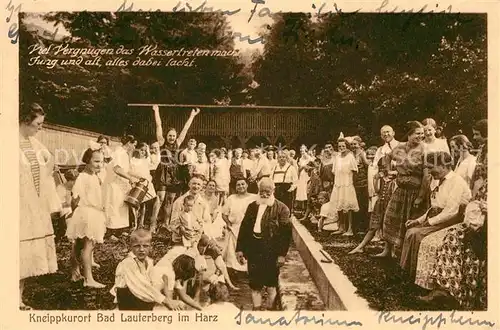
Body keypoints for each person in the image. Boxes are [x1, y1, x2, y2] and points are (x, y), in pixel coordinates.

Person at [400, 151, 471, 280]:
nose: (429, 171)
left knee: (417, 234)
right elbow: (434, 207)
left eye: (431, 167)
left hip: (452, 221)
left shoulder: (456, 182)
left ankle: (419, 277)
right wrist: (418, 220)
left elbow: (451, 211)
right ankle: (407, 272)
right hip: (438, 218)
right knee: (411, 231)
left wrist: (429, 222)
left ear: (443, 166)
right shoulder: (436, 180)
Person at [19, 103, 60, 310]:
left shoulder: (34, 143)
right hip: (15, 204)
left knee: (25, 253)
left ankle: (18, 298)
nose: (40, 128)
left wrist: (44, 178)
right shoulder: (9, 141)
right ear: (25, 121)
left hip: (32, 203)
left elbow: (50, 159)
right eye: (38, 124)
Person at [170, 175, 238, 289]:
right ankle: (190, 287)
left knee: (216, 252)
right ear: (189, 184)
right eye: (194, 183)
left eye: (199, 184)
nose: (196, 186)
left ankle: (225, 282)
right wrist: (183, 231)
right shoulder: (180, 201)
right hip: (182, 238)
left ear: (202, 187)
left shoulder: (203, 203)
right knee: (193, 261)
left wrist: (211, 239)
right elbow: (173, 223)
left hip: (200, 237)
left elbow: (207, 223)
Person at [236, 178, 292, 311]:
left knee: (271, 284)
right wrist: (240, 250)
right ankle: (256, 310)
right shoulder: (252, 206)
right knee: (255, 284)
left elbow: (286, 235)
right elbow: (244, 228)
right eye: (262, 191)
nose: (264, 194)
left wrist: (282, 255)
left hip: (271, 252)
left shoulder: (282, 208)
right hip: (254, 249)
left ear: (273, 190)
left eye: (268, 191)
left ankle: (269, 311)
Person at [376, 121, 429, 258]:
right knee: (390, 217)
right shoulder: (400, 147)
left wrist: (420, 197)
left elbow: (426, 177)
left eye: (422, 133)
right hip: (400, 190)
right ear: (409, 135)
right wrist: (388, 171)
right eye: (418, 133)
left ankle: (403, 254)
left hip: (415, 192)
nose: (421, 136)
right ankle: (387, 250)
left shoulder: (425, 149)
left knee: (409, 220)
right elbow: (386, 158)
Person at [151, 104, 200, 229]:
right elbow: (158, 126)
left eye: (173, 135)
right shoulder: (161, 142)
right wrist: (156, 111)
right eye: (170, 135)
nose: (172, 137)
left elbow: (185, 129)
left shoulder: (178, 142)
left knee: (169, 200)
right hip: (162, 172)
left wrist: (192, 116)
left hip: (175, 173)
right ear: (166, 136)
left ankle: (166, 223)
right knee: (160, 198)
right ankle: (153, 224)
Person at [66, 148, 107, 288]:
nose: (99, 164)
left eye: (101, 161)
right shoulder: (83, 177)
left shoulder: (94, 176)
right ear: (87, 160)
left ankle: (75, 273)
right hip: (87, 213)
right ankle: (88, 279)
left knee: (80, 245)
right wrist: (75, 215)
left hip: (91, 212)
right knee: (87, 246)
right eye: (96, 161)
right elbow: (74, 198)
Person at [111, 229, 181, 310]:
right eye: (137, 246)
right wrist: (165, 300)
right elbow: (141, 286)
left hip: (143, 303)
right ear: (131, 247)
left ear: (150, 246)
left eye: (145, 246)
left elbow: (153, 283)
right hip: (130, 305)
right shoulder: (127, 263)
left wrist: (168, 298)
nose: (141, 249)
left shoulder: (149, 262)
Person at [103, 135, 141, 239]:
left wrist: (139, 177)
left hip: (121, 185)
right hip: (114, 184)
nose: (134, 147)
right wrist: (130, 178)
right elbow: (117, 169)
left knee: (121, 208)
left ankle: (119, 231)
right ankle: (110, 233)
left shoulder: (124, 154)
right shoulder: (119, 152)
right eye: (134, 145)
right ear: (129, 143)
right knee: (114, 207)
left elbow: (126, 170)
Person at [221, 178, 257, 271]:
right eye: (238, 185)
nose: (241, 186)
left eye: (243, 184)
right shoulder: (231, 198)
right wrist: (228, 224)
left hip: (250, 228)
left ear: (247, 185)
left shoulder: (254, 197)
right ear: (236, 187)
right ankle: (234, 271)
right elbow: (224, 214)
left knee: (249, 248)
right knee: (233, 251)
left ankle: (247, 270)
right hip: (235, 228)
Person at [329, 138, 359, 236]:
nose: (341, 148)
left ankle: (349, 229)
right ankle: (341, 227)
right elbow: (334, 171)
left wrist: (351, 184)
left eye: (343, 146)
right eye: (339, 146)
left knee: (348, 207)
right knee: (339, 206)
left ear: (347, 146)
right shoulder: (337, 157)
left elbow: (355, 171)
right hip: (338, 184)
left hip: (347, 184)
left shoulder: (350, 157)